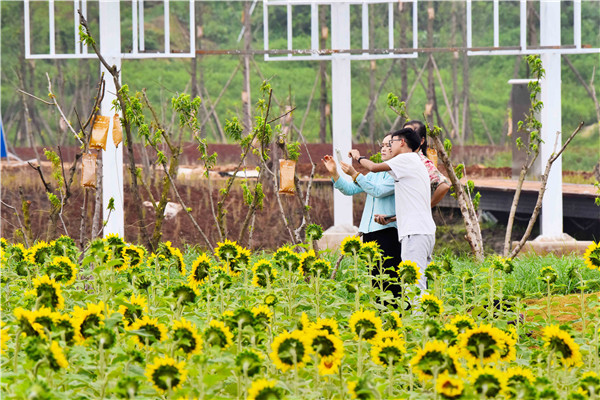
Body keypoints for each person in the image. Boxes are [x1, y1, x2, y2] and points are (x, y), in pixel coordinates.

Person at [349, 128, 435, 296]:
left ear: (402, 142)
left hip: (414, 232)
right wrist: (392, 218)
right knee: (417, 282)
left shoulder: (406, 159)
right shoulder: (414, 162)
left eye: (391, 143)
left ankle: (417, 321)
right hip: (423, 230)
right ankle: (419, 318)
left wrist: (358, 158)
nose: (388, 147)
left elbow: (373, 167)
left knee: (414, 286)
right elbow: (414, 204)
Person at [321, 133, 403, 305]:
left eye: (389, 144)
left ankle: (396, 318)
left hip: (387, 231)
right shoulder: (374, 174)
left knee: (390, 281)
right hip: (369, 232)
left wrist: (355, 173)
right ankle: (383, 320)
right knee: (376, 281)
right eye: (382, 144)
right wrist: (335, 173)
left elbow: (377, 191)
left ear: (399, 146)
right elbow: (350, 189)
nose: (384, 148)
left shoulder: (396, 173)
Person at [403, 120, 450, 207]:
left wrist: (427, 207)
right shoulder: (401, 159)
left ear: (421, 140)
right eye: (404, 135)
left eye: (410, 135)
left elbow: (444, 185)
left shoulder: (422, 162)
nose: (405, 140)